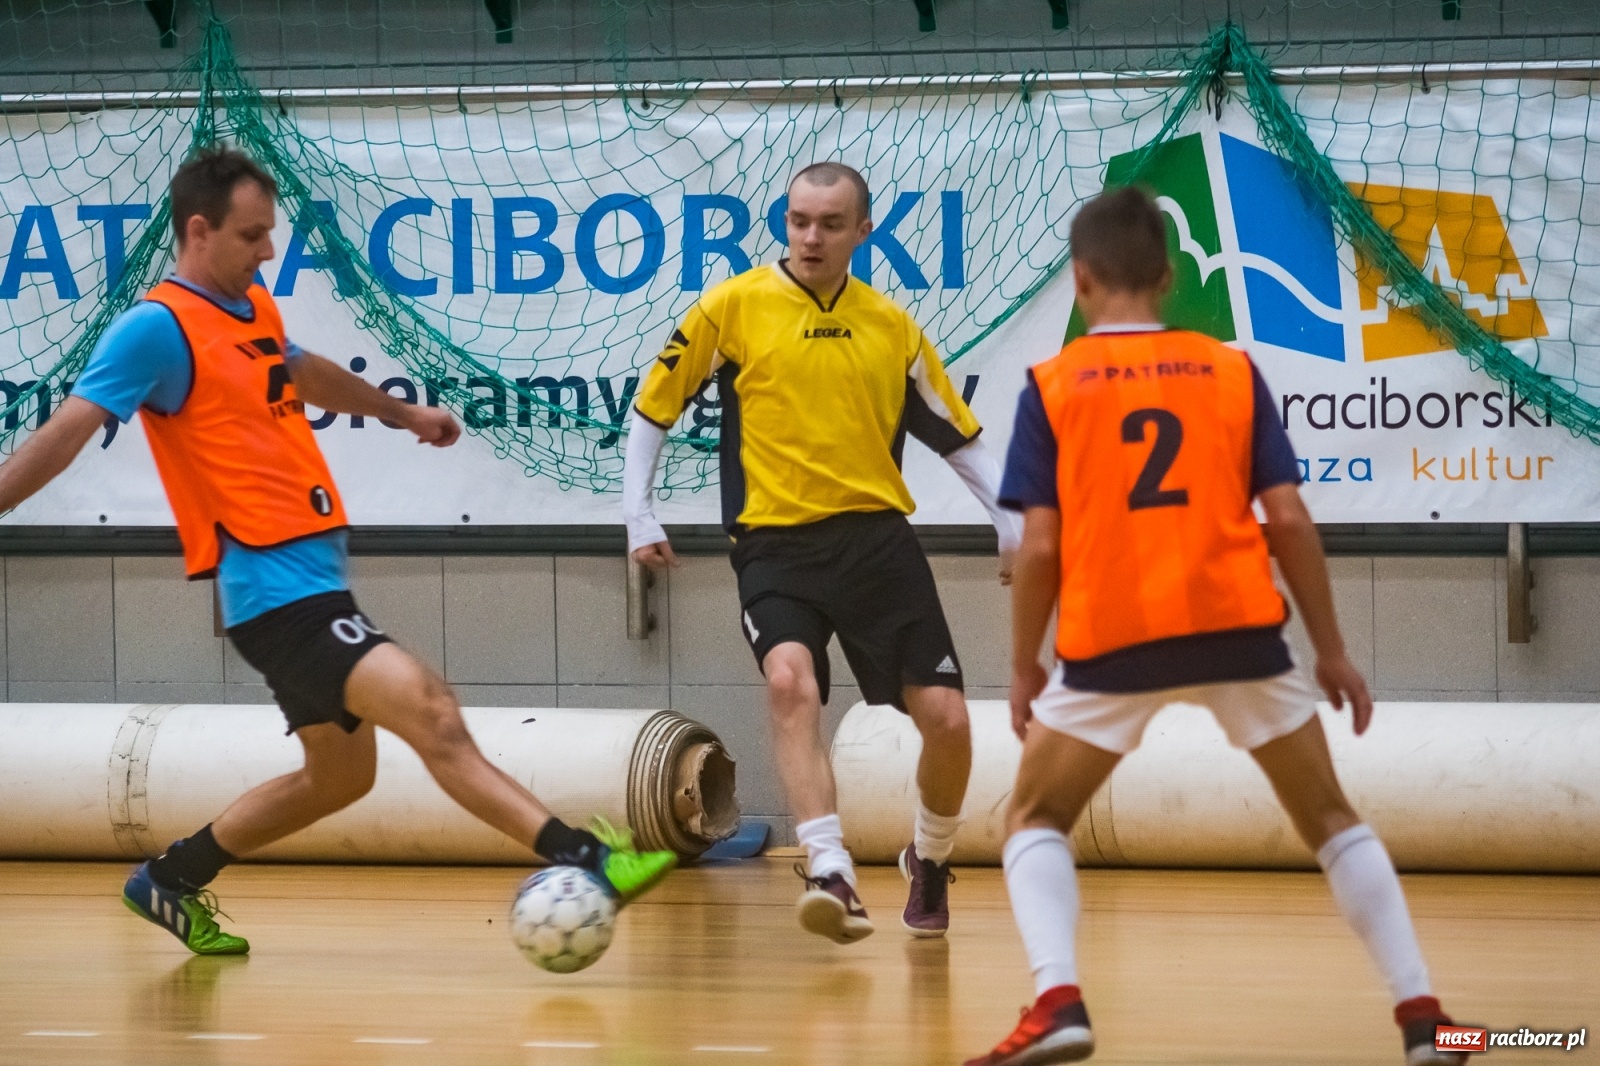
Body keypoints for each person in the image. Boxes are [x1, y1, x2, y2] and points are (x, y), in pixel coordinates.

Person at [0, 145, 676, 956]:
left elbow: (299, 370)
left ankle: (170, 879)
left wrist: (403, 415)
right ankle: (588, 858)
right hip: (271, 589)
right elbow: (66, 432)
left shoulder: (251, 310)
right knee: (432, 713)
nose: (269, 251)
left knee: (339, 779)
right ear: (198, 231)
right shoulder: (156, 328)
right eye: (252, 236)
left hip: (315, 578)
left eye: (269, 233)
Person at [965, 186, 1469, 1066]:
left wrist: (1022, 665)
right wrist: (1335, 653)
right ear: (1168, 276)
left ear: (1081, 281)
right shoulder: (1231, 370)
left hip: (1112, 639)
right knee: (1332, 820)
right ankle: (1425, 1014)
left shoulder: (1053, 385)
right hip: (1239, 628)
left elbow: (1039, 547)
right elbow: (1291, 520)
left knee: (1034, 816)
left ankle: (1058, 999)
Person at [623, 162, 1021, 943]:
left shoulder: (892, 326)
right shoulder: (730, 306)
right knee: (789, 683)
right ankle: (830, 867)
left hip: (877, 544)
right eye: (799, 220)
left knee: (946, 720)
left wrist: (1012, 522)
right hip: (773, 545)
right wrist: (638, 513)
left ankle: (930, 858)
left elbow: (957, 433)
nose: (811, 236)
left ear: (863, 232)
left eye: (830, 224)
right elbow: (653, 406)